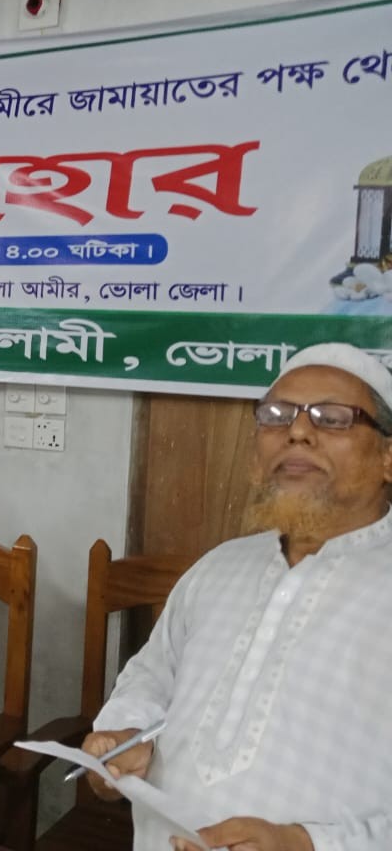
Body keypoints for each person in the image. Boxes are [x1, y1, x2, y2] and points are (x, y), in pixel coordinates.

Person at [85, 342, 392, 851]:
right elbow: (151, 677)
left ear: (387, 457)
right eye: (276, 416)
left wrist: (305, 843)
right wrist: (123, 738)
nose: (297, 431)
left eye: (333, 418)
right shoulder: (219, 567)